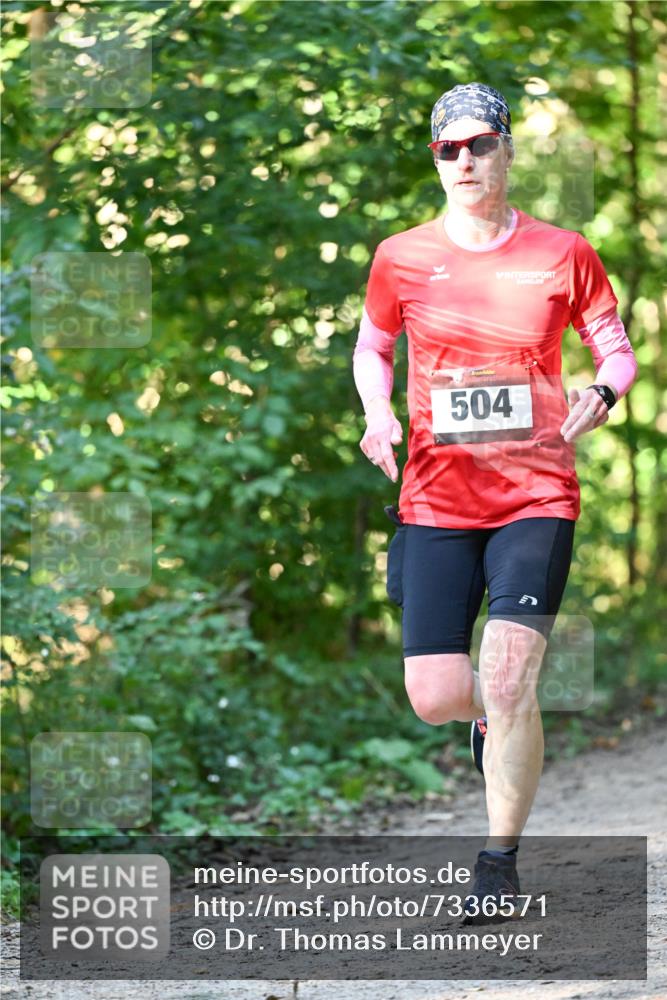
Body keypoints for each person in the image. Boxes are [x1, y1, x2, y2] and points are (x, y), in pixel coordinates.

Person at [352, 82, 637, 924]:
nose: (464, 161)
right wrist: (376, 410)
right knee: (439, 696)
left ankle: (495, 863)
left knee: (509, 674)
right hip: (436, 496)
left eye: (479, 145)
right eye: (448, 149)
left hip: (535, 491)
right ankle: (499, 717)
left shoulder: (562, 250)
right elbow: (373, 346)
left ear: (508, 151)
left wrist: (602, 393)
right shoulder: (399, 255)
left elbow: (612, 348)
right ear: (435, 160)